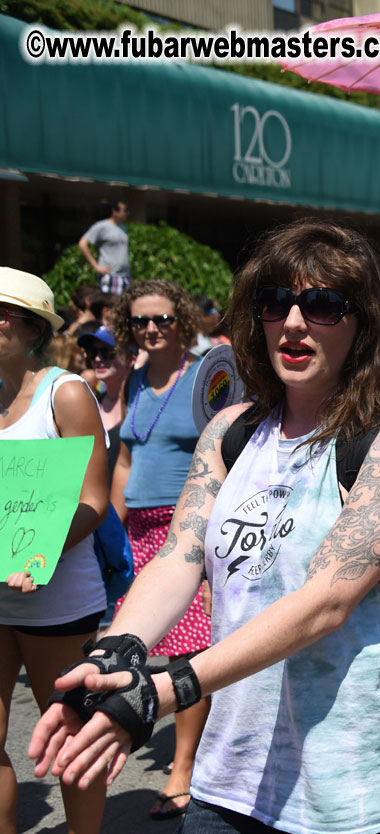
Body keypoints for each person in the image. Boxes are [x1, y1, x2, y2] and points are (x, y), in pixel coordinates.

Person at [30, 218, 380, 833]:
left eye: (323, 305)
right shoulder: (230, 432)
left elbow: (325, 604)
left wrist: (162, 690)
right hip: (232, 779)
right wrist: (112, 656)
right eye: (276, 301)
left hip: (356, 786)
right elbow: (177, 558)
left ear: (364, 325)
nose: (294, 322)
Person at [0, 269, 110, 834]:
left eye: (1, 313)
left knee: (70, 739)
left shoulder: (63, 393)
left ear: (32, 327)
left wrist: (40, 553)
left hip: (57, 602)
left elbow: (94, 500)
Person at [106, 279, 209, 819]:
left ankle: (183, 768)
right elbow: (124, 462)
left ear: (181, 319)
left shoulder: (204, 376)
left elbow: (228, 452)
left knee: (188, 651)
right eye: (140, 320)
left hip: (185, 527)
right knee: (140, 643)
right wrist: (110, 534)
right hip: (137, 531)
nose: (151, 328)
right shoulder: (135, 379)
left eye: (162, 319)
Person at [75, 325, 132, 483]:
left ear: (131, 357)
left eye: (107, 352)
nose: (98, 359)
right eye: (93, 353)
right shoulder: (90, 405)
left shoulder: (139, 406)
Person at [78, 198, 130, 296]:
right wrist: (96, 266)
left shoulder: (123, 228)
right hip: (110, 276)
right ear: (114, 212)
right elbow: (82, 244)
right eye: (125, 210)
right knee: (110, 304)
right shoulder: (101, 226)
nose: (127, 213)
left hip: (125, 277)